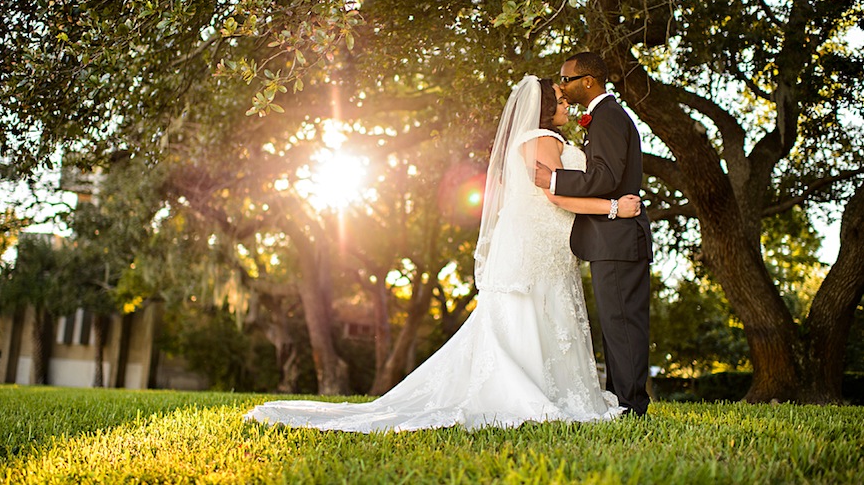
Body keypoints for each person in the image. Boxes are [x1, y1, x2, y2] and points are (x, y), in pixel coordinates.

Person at [244, 75, 640, 432]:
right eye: (560, 99)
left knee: (521, 319)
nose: (567, 105)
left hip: (526, 241)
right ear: (544, 108)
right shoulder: (546, 140)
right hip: (539, 245)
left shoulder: (522, 142)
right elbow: (557, 196)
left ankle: (533, 387)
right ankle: (536, 394)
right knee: (537, 314)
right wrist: (613, 208)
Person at [534, 52, 653, 417]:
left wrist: (554, 179)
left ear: (588, 81)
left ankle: (631, 404)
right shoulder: (603, 118)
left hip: (617, 236)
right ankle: (621, 401)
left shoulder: (608, 117)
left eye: (566, 80)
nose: (564, 89)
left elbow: (606, 177)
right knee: (617, 324)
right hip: (611, 238)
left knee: (623, 324)